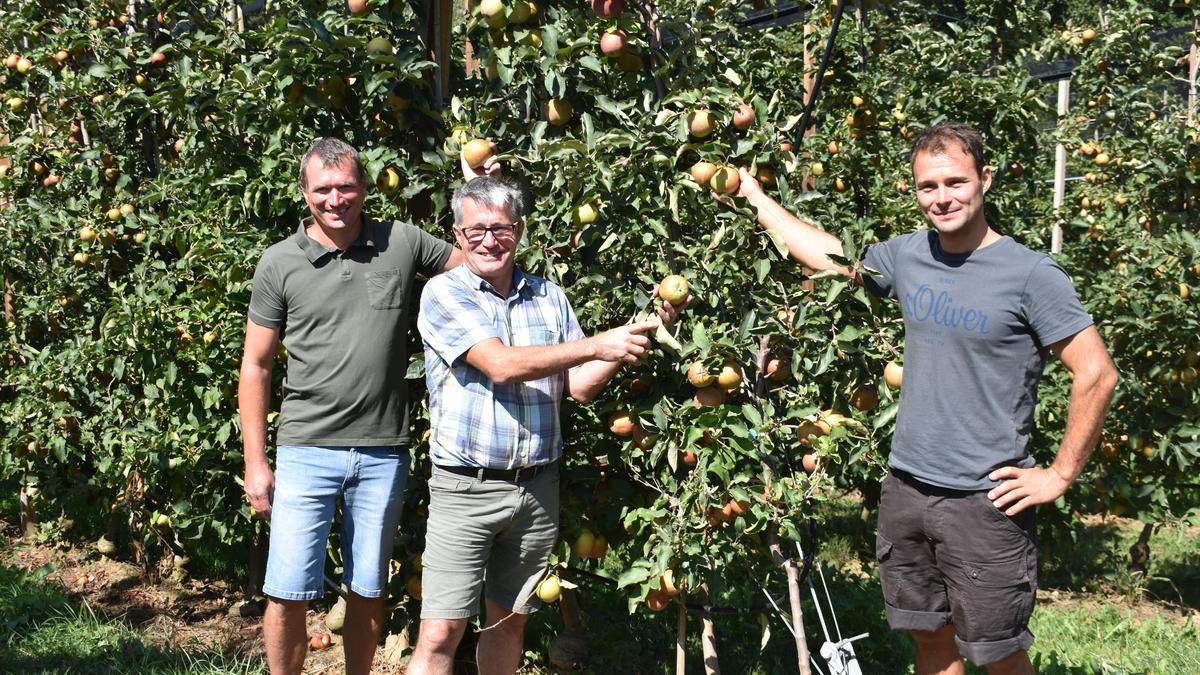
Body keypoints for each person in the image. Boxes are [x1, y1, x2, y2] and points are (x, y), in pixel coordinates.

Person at [734, 122, 1118, 675]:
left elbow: (1097, 374)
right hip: (907, 486)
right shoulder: (908, 255)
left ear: (985, 179)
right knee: (930, 640)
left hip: (984, 501)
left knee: (1000, 654)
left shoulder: (1031, 274)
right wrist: (754, 194)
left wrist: (1058, 475)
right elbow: (827, 256)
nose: (942, 198)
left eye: (956, 183)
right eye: (927, 186)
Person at [405, 175, 689, 675]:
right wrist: (595, 344)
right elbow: (499, 363)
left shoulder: (548, 297)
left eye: (501, 228)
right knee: (440, 630)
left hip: (537, 487)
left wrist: (633, 336)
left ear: (520, 231)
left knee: (509, 621)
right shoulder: (443, 295)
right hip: (466, 488)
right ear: (457, 233)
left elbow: (578, 385)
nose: (488, 240)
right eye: (475, 230)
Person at [238, 136, 498, 675]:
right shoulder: (280, 262)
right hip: (306, 448)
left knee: (368, 587)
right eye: (323, 189)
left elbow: (480, 261)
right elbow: (256, 365)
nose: (336, 199)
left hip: (383, 451)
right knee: (287, 590)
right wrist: (256, 463)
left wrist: (480, 189)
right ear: (305, 193)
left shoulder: (399, 243)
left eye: (347, 186)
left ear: (365, 188)